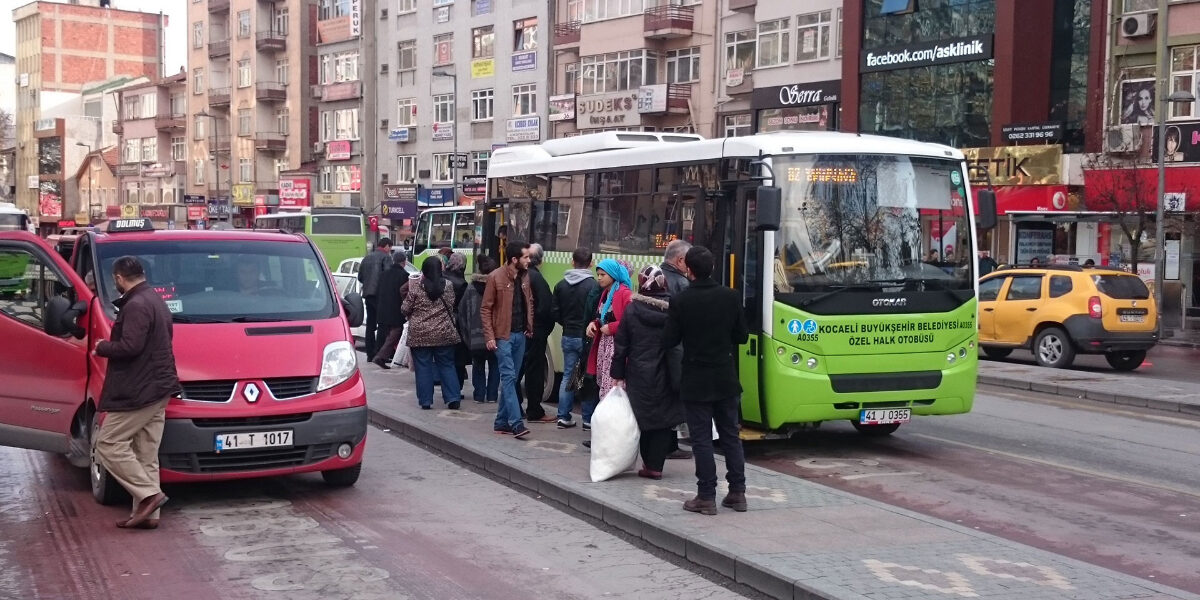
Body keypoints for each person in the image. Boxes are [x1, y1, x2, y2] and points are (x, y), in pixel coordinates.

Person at [93, 256, 180, 529]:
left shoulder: (137, 305)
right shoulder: (155, 300)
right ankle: (148, 517)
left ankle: (149, 496)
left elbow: (130, 347)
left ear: (119, 278)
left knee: (108, 443)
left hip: (141, 388)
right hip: (159, 386)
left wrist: (102, 347)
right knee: (146, 452)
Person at [664, 246, 749, 516]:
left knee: (701, 439)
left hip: (696, 378)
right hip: (725, 377)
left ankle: (706, 496)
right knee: (731, 436)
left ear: (689, 270)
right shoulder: (731, 297)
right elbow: (742, 336)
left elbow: (669, 340)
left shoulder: (682, 301)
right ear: (713, 268)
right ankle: (737, 493)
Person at [611, 266, 685, 480]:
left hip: (638, 372)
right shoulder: (673, 311)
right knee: (662, 419)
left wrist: (617, 374)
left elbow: (621, 344)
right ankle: (656, 466)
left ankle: (648, 464)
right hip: (666, 371)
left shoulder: (633, 311)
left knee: (643, 417)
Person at [481, 240, 534, 439]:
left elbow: (529, 302)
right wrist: (489, 336)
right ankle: (516, 422)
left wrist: (529, 326)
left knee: (510, 379)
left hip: (520, 334)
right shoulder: (495, 277)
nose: (529, 260)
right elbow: (485, 308)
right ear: (514, 259)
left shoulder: (525, 277)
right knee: (509, 377)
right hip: (502, 336)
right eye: (526, 257)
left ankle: (501, 422)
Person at [401, 257, 463, 410]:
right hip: (444, 333)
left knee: (423, 367)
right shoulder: (449, 286)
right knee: (447, 365)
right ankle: (453, 398)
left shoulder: (416, 288)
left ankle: (426, 401)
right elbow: (452, 303)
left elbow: (405, 309)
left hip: (420, 335)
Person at [552, 247, 598, 428]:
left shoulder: (561, 285)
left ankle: (563, 416)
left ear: (572, 261)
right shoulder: (593, 286)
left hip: (568, 335)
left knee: (568, 375)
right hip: (586, 338)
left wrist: (566, 323)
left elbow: (554, 312)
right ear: (591, 264)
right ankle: (587, 419)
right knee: (587, 377)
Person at [585, 258, 633, 420]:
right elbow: (602, 317)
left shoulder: (624, 293)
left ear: (613, 275)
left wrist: (611, 328)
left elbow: (630, 321)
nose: (599, 278)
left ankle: (610, 428)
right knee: (604, 386)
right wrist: (594, 324)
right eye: (598, 274)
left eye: (603, 275)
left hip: (616, 348)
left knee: (611, 387)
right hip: (604, 345)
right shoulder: (606, 293)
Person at [659, 240, 694, 461]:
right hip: (676, 352)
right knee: (674, 398)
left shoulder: (656, 277)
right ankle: (670, 446)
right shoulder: (682, 285)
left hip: (656, 351)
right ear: (680, 261)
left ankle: (666, 445)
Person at [518, 243, 556, 423]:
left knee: (516, 370)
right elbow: (546, 308)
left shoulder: (518, 275)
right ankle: (535, 410)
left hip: (520, 329)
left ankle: (514, 406)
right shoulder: (536, 278)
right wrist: (543, 328)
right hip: (534, 331)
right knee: (533, 371)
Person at [460, 255, 500, 404]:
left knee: (478, 366)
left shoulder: (470, 288)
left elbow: (463, 312)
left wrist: (467, 335)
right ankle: (492, 396)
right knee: (495, 365)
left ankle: (479, 395)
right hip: (495, 336)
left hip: (475, 337)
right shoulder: (498, 287)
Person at [358, 237, 394, 360]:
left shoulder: (366, 258)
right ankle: (379, 353)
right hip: (381, 295)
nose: (390, 251)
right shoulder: (386, 257)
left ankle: (369, 353)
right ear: (387, 246)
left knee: (370, 325)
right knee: (382, 325)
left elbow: (360, 277)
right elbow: (389, 276)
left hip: (368, 295)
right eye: (390, 248)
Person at [371, 255, 409, 369]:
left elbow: (377, 291)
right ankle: (381, 356)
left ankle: (380, 355)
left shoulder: (383, 274)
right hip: (396, 309)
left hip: (383, 308)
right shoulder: (404, 275)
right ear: (404, 262)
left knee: (384, 334)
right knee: (396, 332)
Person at [444, 252, 470, 384]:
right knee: (458, 357)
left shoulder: (442, 277)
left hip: (441, 320)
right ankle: (456, 387)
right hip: (456, 323)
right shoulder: (461, 284)